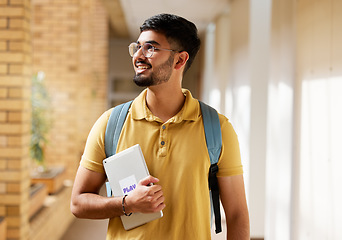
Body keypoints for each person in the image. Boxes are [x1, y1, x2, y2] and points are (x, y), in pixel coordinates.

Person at [71, 13, 250, 240]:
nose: (138, 55)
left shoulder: (217, 128)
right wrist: (127, 204)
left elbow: (236, 215)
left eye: (151, 48)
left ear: (179, 60)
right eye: (137, 47)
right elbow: (78, 202)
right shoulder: (110, 123)